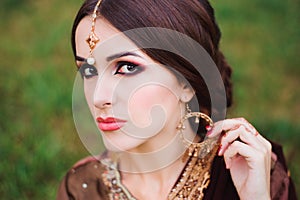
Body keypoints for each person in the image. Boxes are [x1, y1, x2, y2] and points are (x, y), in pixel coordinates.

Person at [57, 0, 297, 199]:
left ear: (186, 80)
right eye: (88, 70)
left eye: (127, 67)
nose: (99, 98)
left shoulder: (253, 173)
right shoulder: (81, 188)